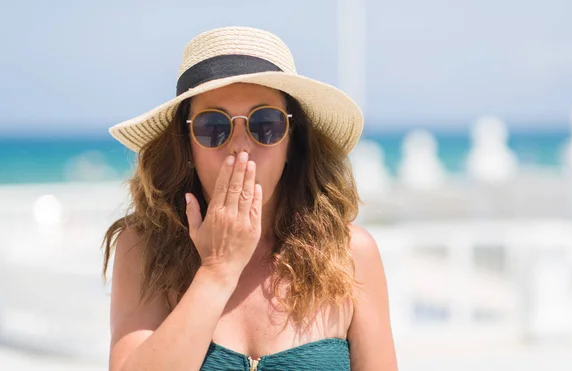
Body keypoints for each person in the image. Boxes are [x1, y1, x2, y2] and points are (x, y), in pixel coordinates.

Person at [103, 26, 397, 371]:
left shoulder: (349, 254)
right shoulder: (143, 249)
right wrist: (217, 271)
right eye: (213, 126)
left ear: (292, 142)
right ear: (186, 145)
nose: (240, 146)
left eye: (265, 124)